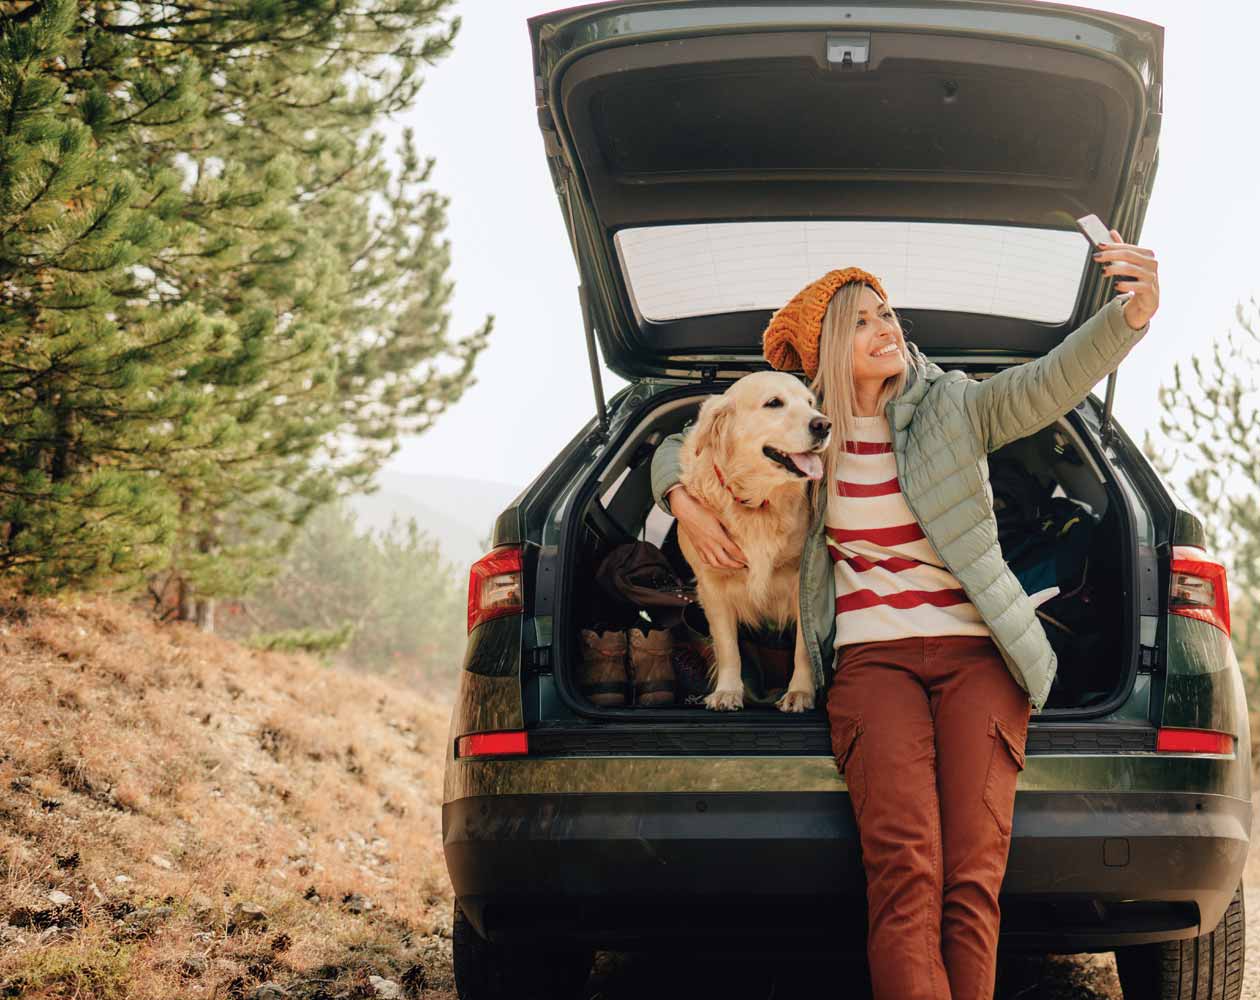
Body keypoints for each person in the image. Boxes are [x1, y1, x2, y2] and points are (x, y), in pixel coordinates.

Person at [649, 230, 1159, 1000]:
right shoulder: (803, 440)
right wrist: (681, 498)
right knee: (906, 868)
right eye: (860, 320)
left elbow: (1050, 382)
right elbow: (688, 441)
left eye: (887, 314)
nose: (886, 327)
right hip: (870, 661)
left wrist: (1132, 314)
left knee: (973, 874)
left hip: (978, 657)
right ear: (826, 346)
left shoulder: (955, 405)